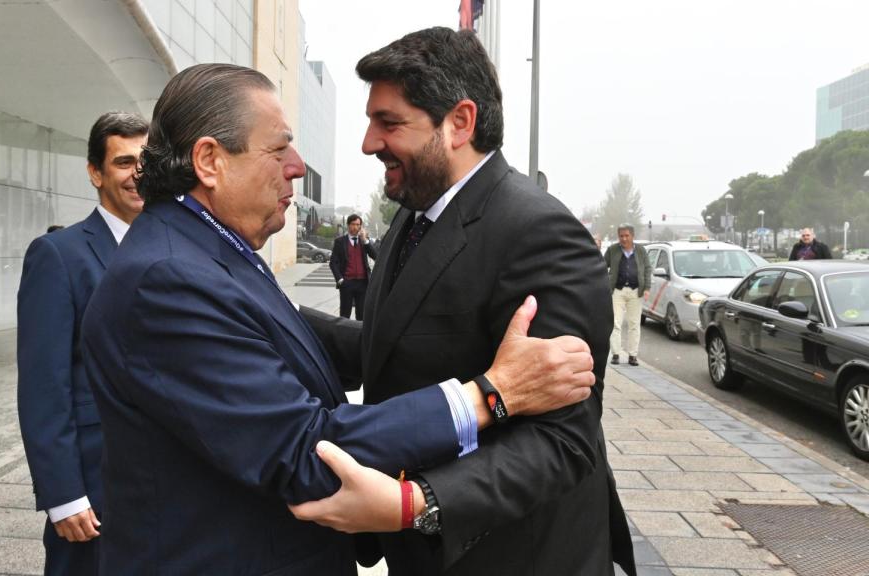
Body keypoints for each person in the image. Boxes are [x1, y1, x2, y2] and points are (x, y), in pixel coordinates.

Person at [79, 63, 598, 576]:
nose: (298, 166)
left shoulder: (208, 246)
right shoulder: (167, 278)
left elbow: (294, 339)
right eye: (279, 147)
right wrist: (491, 392)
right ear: (210, 160)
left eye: (388, 122)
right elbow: (305, 449)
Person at [297, 27, 636, 576]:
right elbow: (396, 348)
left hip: (511, 557)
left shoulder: (538, 232)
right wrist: (264, 308)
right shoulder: (413, 212)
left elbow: (562, 442)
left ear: (459, 122)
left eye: (389, 122)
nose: (368, 142)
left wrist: (419, 504)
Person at [16, 111, 148, 575]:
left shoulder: (171, 249)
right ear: (95, 172)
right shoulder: (59, 256)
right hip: (92, 486)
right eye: (124, 162)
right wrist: (63, 494)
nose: (138, 174)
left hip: (163, 485)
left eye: (146, 162)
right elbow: (43, 386)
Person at [605, 224, 651, 366]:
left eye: (626, 236)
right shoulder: (612, 250)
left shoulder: (641, 251)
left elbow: (647, 269)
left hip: (636, 291)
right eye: (621, 236)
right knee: (615, 323)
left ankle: (632, 355)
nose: (624, 239)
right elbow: (601, 265)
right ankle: (616, 354)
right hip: (617, 291)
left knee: (634, 324)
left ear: (632, 236)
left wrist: (647, 287)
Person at [330, 213, 377, 320]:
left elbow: (376, 256)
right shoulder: (340, 242)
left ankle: (360, 336)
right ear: (348, 225)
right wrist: (340, 279)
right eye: (353, 224)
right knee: (345, 314)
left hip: (363, 283)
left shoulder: (364, 241)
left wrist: (365, 241)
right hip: (347, 283)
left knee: (362, 314)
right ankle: (342, 336)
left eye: (358, 224)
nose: (356, 227)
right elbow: (333, 262)